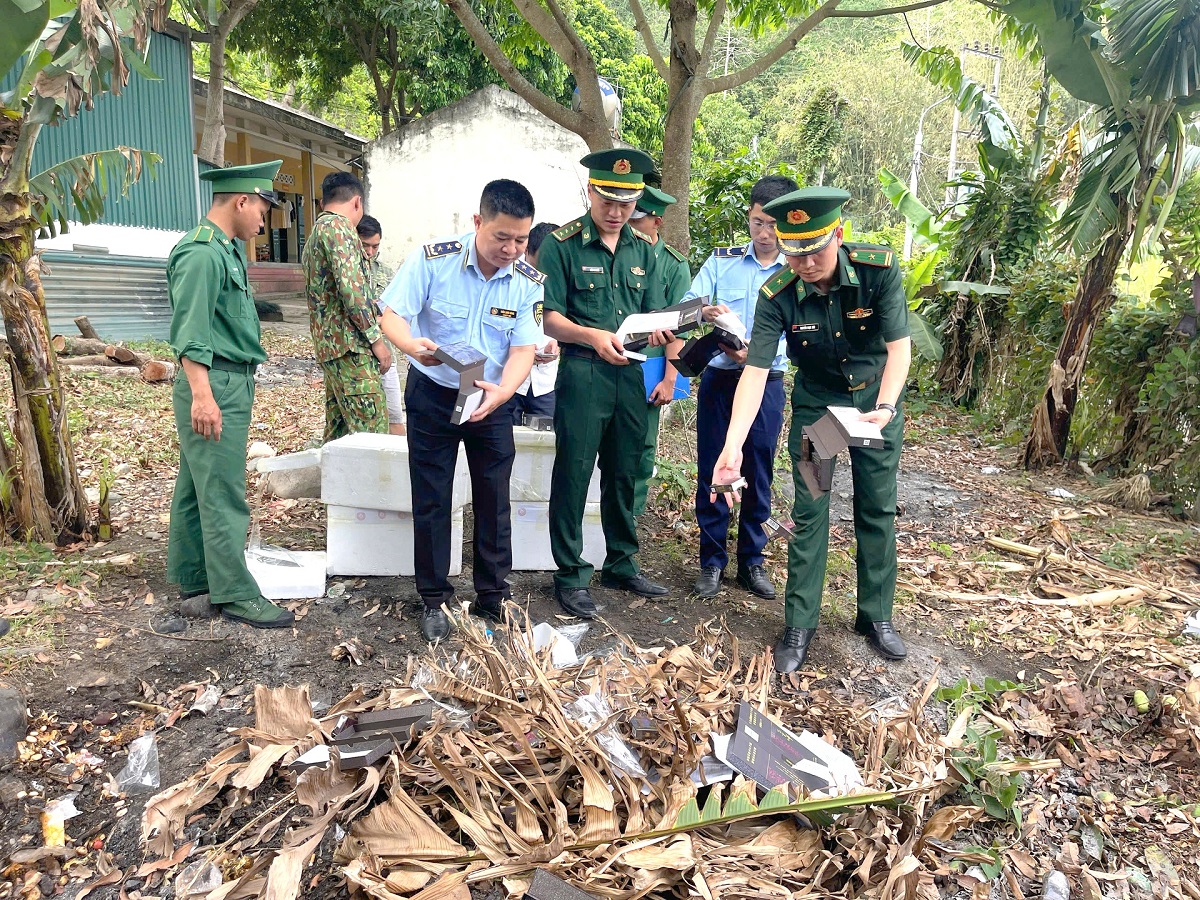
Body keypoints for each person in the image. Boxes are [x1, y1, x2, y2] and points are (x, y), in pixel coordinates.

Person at [711, 187, 912, 673]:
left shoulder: (876, 270)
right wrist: (731, 446)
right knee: (812, 508)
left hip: (872, 405)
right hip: (819, 412)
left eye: (814, 251)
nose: (803, 264)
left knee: (876, 506)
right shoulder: (777, 294)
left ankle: (877, 617)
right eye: (793, 252)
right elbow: (755, 372)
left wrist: (885, 407)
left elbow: (899, 348)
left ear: (838, 236)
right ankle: (799, 623)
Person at [380, 180, 541, 641]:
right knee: (432, 494)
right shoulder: (434, 260)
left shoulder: (527, 283)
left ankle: (493, 595)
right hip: (434, 391)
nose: (511, 249)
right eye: (502, 237)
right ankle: (433, 598)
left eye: (520, 240)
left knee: (494, 496)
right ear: (478, 223)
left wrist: (504, 393)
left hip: (490, 398)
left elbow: (524, 350)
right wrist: (412, 345)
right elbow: (390, 313)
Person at [539, 148, 672, 619]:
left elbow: (655, 312)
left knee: (625, 470)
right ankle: (571, 574)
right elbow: (550, 317)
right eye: (608, 201)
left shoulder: (644, 250)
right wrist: (591, 336)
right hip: (582, 372)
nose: (617, 212)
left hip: (631, 373)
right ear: (590, 192)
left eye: (627, 202)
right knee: (574, 473)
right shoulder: (562, 245)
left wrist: (663, 328)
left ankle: (621, 562)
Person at [166, 161, 295, 628]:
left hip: (227, 377)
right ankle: (236, 593)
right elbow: (190, 332)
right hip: (214, 380)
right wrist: (202, 394)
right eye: (262, 207)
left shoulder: (225, 249)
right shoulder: (202, 254)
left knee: (196, 483)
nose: (264, 219)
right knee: (222, 490)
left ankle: (194, 574)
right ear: (242, 201)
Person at [686, 175, 798, 600]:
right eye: (757, 223)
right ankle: (711, 561)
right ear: (747, 219)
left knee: (758, 470)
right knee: (714, 467)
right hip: (720, 380)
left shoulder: (797, 268)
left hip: (767, 382)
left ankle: (753, 561)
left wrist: (758, 353)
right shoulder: (722, 262)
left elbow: (801, 329)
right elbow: (688, 304)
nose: (765, 234)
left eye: (773, 225)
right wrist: (705, 312)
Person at [303, 171, 392, 442]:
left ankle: (333, 486)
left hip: (333, 350)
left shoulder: (316, 233)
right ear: (357, 202)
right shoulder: (340, 229)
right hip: (351, 350)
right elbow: (352, 293)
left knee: (340, 436)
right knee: (372, 438)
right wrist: (377, 341)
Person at [628, 185, 690, 516]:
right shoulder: (612, 251)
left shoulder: (673, 266)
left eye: (639, 219)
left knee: (641, 449)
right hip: (609, 362)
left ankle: (628, 527)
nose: (630, 223)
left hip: (649, 369)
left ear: (657, 221)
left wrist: (669, 379)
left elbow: (677, 328)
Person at [357, 215, 406, 436]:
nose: (369, 251)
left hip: (386, 355)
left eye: (375, 246)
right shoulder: (348, 271)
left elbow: (397, 313)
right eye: (365, 245)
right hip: (358, 356)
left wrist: (378, 319)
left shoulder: (386, 273)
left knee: (395, 416)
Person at [509, 222, 560, 425]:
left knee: (545, 442)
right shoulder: (510, 278)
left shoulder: (563, 281)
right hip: (509, 378)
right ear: (528, 250)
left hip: (545, 382)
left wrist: (559, 346)